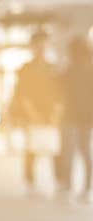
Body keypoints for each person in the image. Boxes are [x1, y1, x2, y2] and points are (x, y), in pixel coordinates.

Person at [12, 29, 62, 195]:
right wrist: (32, 114)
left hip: (51, 116)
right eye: (38, 45)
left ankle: (59, 182)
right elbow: (22, 94)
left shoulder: (53, 68)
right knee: (31, 150)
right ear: (32, 46)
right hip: (31, 115)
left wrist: (56, 113)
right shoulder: (25, 69)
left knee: (55, 149)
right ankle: (30, 183)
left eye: (44, 44)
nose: (41, 48)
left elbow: (59, 94)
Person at [59, 36, 93, 202]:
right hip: (85, 118)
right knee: (85, 152)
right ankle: (85, 189)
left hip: (70, 116)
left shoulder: (69, 70)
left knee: (69, 153)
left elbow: (59, 92)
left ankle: (68, 187)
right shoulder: (89, 70)